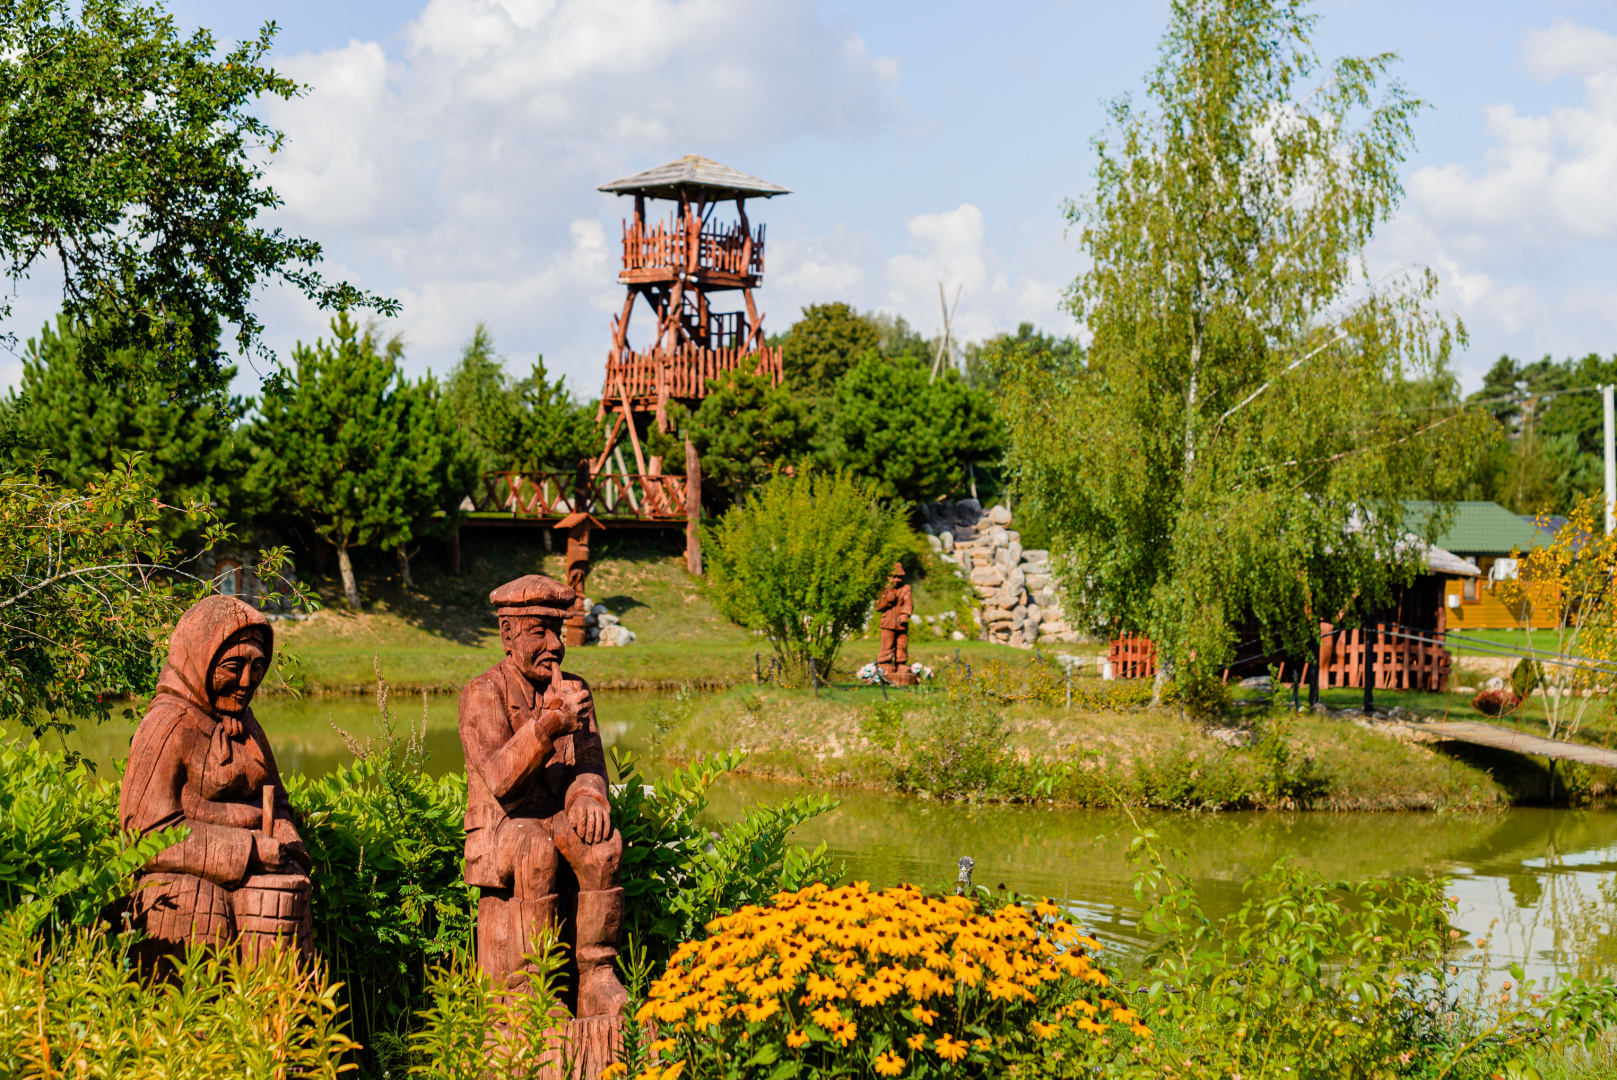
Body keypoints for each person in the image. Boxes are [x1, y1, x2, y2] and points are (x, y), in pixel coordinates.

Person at [459, 573, 627, 1017]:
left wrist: (588, 797)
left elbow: (589, 764)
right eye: (540, 631)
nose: (553, 645)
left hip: (556, 818)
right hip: (501, 829)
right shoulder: (482, 693)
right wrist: (549, 725)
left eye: (558, 630)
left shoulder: (575, 690)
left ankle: (596, 977)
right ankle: (534, 986)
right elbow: (499, 780)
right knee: (536, 849)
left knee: (602, 847)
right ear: (507, 634)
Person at [119, 595, 313, 968]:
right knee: (195, 909)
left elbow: (280, 802)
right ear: (199, 660)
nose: (246, 681)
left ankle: (278, 1021)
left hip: (255, 868)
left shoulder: (247, 725)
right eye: (233, 666)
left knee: (282, 901)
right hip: (185, 878)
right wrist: (249, 849)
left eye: (257, 667)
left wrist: (288, 845)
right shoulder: (168, 724)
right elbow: (143, 835)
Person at [875, 561, 914, 682]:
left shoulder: (906, 588)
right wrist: (886, 600)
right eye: (894, 576)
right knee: (887, 644)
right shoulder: (884, 589)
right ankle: (885, 663)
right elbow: (878, 606)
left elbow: (909, 602)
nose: (897, 579)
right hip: (888, 622)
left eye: (899, 577)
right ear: (888, 577)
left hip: (901, 623)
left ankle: (901, 663)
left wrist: (905, 614)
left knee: (902, 644)